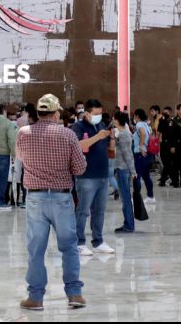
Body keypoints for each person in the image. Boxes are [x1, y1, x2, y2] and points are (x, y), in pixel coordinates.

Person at [15, 94, 87, 311]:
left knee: (36, 249)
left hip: (35, 198)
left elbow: (20, 157)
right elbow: (80, 168)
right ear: (56, 114)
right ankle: (74, 294)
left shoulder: (24, 133)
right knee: (69, 247)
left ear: (38, 114)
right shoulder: (68, 134)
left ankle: (35, 298)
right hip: (62, 198)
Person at [71, 99, 115, 256]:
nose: (99, 116)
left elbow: (110, 150)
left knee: (100, 211)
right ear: (87, 113)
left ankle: (98, 241)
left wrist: (111, 138)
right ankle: (79, 242)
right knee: (82, 211)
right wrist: (98, 136)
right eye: (96, 114)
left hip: (102, 174)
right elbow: (79, 146)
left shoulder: (102, 125)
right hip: (86, 175)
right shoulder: (77, 127)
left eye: (101, 113)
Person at [113, 111, 136, 233]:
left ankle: (129, 225)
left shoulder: (122, 134)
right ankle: (128, 224)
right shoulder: (127, 133)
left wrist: (133, 170)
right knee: (126, 198)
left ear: (117, 120)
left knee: (125, 199)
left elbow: (127, 154)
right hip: (126, 169)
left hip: (122, 169)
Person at [132, 109, 155, 204]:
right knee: (146, 176)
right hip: (148, 153)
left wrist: (141, 146)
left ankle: (136, 198)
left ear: (137, 116)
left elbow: (143, 133)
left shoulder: (139, 124)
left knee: (137, 176)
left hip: (140, 154)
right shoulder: (146, 124)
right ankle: (150, 196)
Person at [158, 106, 175, 187]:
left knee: (168, 163)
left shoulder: (173, 121)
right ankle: (173, 179)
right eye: (164, 112)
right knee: (166, 162)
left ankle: (163, 180)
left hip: (171, 144)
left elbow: (174, 135)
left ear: (170, 112)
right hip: (163, 144)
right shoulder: (162, 121)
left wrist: (173, 146)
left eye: (167, 112)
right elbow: (159, 132)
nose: (165, 114)